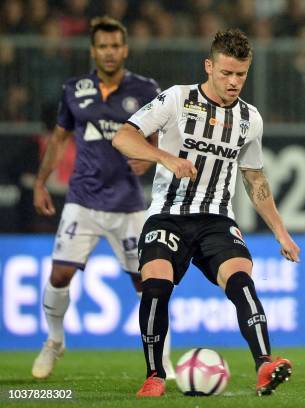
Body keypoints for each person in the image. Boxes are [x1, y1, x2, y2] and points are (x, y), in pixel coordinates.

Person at [112, 28, 300, 397]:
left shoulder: (250, 118)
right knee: (156, 284)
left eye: (241, 74)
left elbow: (255, 178)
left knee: (240, 278)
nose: (233, 82)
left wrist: (281, 231)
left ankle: (264, 364)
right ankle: (154, 375)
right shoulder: (177, 99)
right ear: (209, 66)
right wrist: (166, 157)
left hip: (216, 218)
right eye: (226, 73)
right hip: (168, 214)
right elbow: (123, 137)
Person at [31, 16, 175, 380]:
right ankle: (54, 341)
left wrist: (150, 156)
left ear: (124, 49)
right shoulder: (74, 89)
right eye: (102, 46)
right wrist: (41, 182)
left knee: (149, 283)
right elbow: (60, 138)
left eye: (115, 46)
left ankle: (163, 360)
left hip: (128, 204)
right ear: (93, 50)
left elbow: (161, 134)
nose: (109, 53)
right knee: (60, 274)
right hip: (83, 199)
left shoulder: (145, 89)